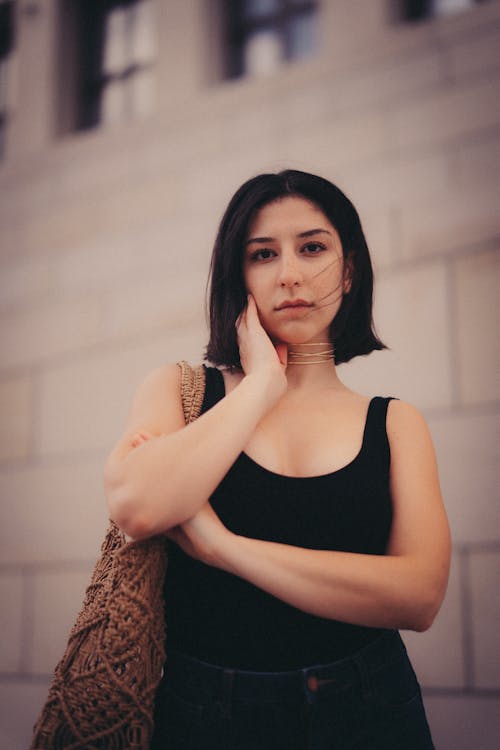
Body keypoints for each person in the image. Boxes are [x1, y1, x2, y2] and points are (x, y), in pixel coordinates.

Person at [103, 169, 451, 749]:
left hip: (371, 705)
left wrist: (225, 550)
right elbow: (136, 508)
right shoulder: (180, 392)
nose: (289, 274)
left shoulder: (395, 424)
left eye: (312, 247)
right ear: (239, 276)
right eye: (262, 254)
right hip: (204, 712)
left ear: (348, 270)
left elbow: (418, 596)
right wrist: (263, 384)